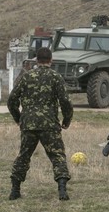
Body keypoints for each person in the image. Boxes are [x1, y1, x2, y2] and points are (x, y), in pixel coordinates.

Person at [7, 47, 74, 201]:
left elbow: (11, 101)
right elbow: (65, 102)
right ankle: (62, 189)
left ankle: (15, 190)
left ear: (36, 60)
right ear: (51, 60)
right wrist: (66, 120)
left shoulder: (26, 77)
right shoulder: (55, 77)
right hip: (49, 124)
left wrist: (19, 118)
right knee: (57, 155)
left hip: (28, 124)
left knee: (24, 156)